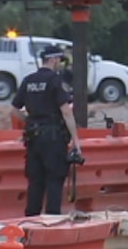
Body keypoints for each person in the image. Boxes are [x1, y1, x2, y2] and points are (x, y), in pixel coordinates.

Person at [9, 45, 82, 216]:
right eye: (59, 61)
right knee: (54, 181)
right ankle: (51, 222)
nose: (60, 65)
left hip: (33, 138)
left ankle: (30, 222)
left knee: (35, 182)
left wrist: (31, 121)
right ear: (54, 59)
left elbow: (13, 110)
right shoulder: (55, 81)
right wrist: (76, 142)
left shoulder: (28, 80)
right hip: (54, 139)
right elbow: (66, 111)